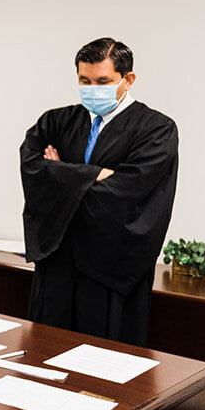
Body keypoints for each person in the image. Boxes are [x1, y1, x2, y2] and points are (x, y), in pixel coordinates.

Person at [19, 37, 178, 347]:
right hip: (57, 264)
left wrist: (60, 172)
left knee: (102, 368)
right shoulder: (56, 122)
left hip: (111, 271)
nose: (92, 90)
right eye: (84, 81)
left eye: (103, 81)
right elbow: (33, 170)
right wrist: (95, 176)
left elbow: (128, 192)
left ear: (128, 79)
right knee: (44, 355)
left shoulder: (156, 130)